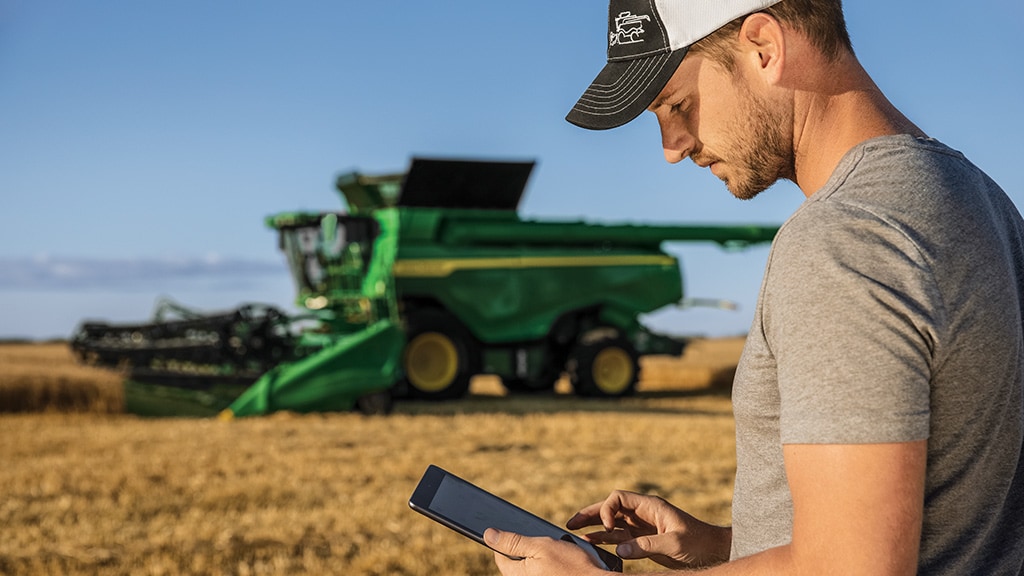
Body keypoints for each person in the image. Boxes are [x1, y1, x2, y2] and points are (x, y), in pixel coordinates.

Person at [484, 0, 1024, 574]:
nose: (673, 147)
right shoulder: (981, 201)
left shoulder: (842, 241)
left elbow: (850, 568)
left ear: (764, 47)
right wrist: (727, 545)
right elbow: (951, 523)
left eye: (676, 104)